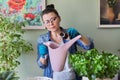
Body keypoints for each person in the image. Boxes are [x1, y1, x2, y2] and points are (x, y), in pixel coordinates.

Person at [37, 4, 94, 80]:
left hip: (73, 77)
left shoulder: (69, 33)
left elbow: (89, 46)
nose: (51, 24)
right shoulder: (43, 39)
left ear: (59, 18)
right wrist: (43, 56)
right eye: (47, 22)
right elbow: (42, 65)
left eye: (53, 19)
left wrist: (79, 35)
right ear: (44, 24)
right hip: (52, 77)